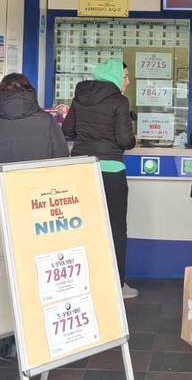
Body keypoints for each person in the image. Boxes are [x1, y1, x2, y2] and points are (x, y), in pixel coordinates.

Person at [0, 72, 67, 360]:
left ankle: (10, 336)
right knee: (40, 273)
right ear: (30, 91)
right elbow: (61, 162)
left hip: (0, 209)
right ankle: (42, 335)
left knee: (5, 272)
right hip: (40, 211)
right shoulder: (47, 122)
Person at [62, 59, 139, 299]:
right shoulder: (119, 101)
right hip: (111, 171)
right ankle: (116, 284)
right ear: (115, 76)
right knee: (116, 228)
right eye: (125, 76)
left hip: (81, 170)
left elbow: (67, 131)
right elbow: (126, 140)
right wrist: (133, 139)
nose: (128, 81)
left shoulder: (79, 97)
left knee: (83, 227)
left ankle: (83, 282)